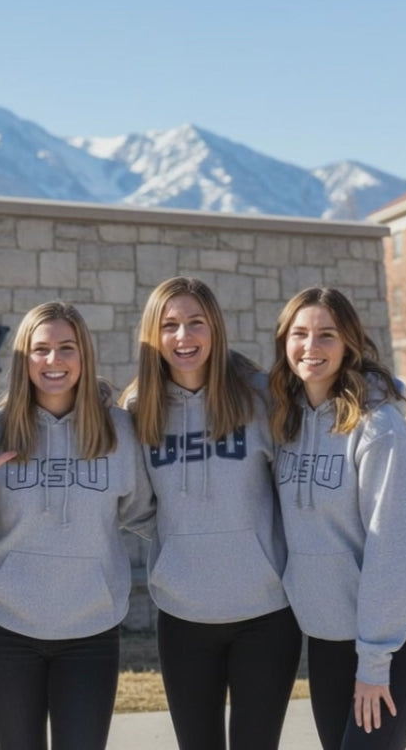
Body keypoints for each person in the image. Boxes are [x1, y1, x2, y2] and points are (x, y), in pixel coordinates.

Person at [0, 301, 155, 750]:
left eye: (66, 348)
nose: (53, 361)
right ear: (23, 358)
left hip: (91, 633)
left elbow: (143, 513)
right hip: (6, 631)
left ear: (84, 355)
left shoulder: (120, 431)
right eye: (40, 349)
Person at [120, 277, 300, 750]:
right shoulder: (140, 409)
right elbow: (135, 504)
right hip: (183, 615)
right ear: (153, 337)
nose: (184, 337)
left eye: (195, 323)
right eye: (171, 325)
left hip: (266, 615)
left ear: (215, 328)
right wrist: (181, 543)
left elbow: (294, 491)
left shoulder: (261, 395)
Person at [269, 287, 406, 750]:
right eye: (300, 334)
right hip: (330, 634)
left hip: (397, 637)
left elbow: (396, 550)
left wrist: (374, 662)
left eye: (326, 335)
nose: (312, 347)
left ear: (349, 343)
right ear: (284, 341)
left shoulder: (379, 428)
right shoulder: (286, 420)